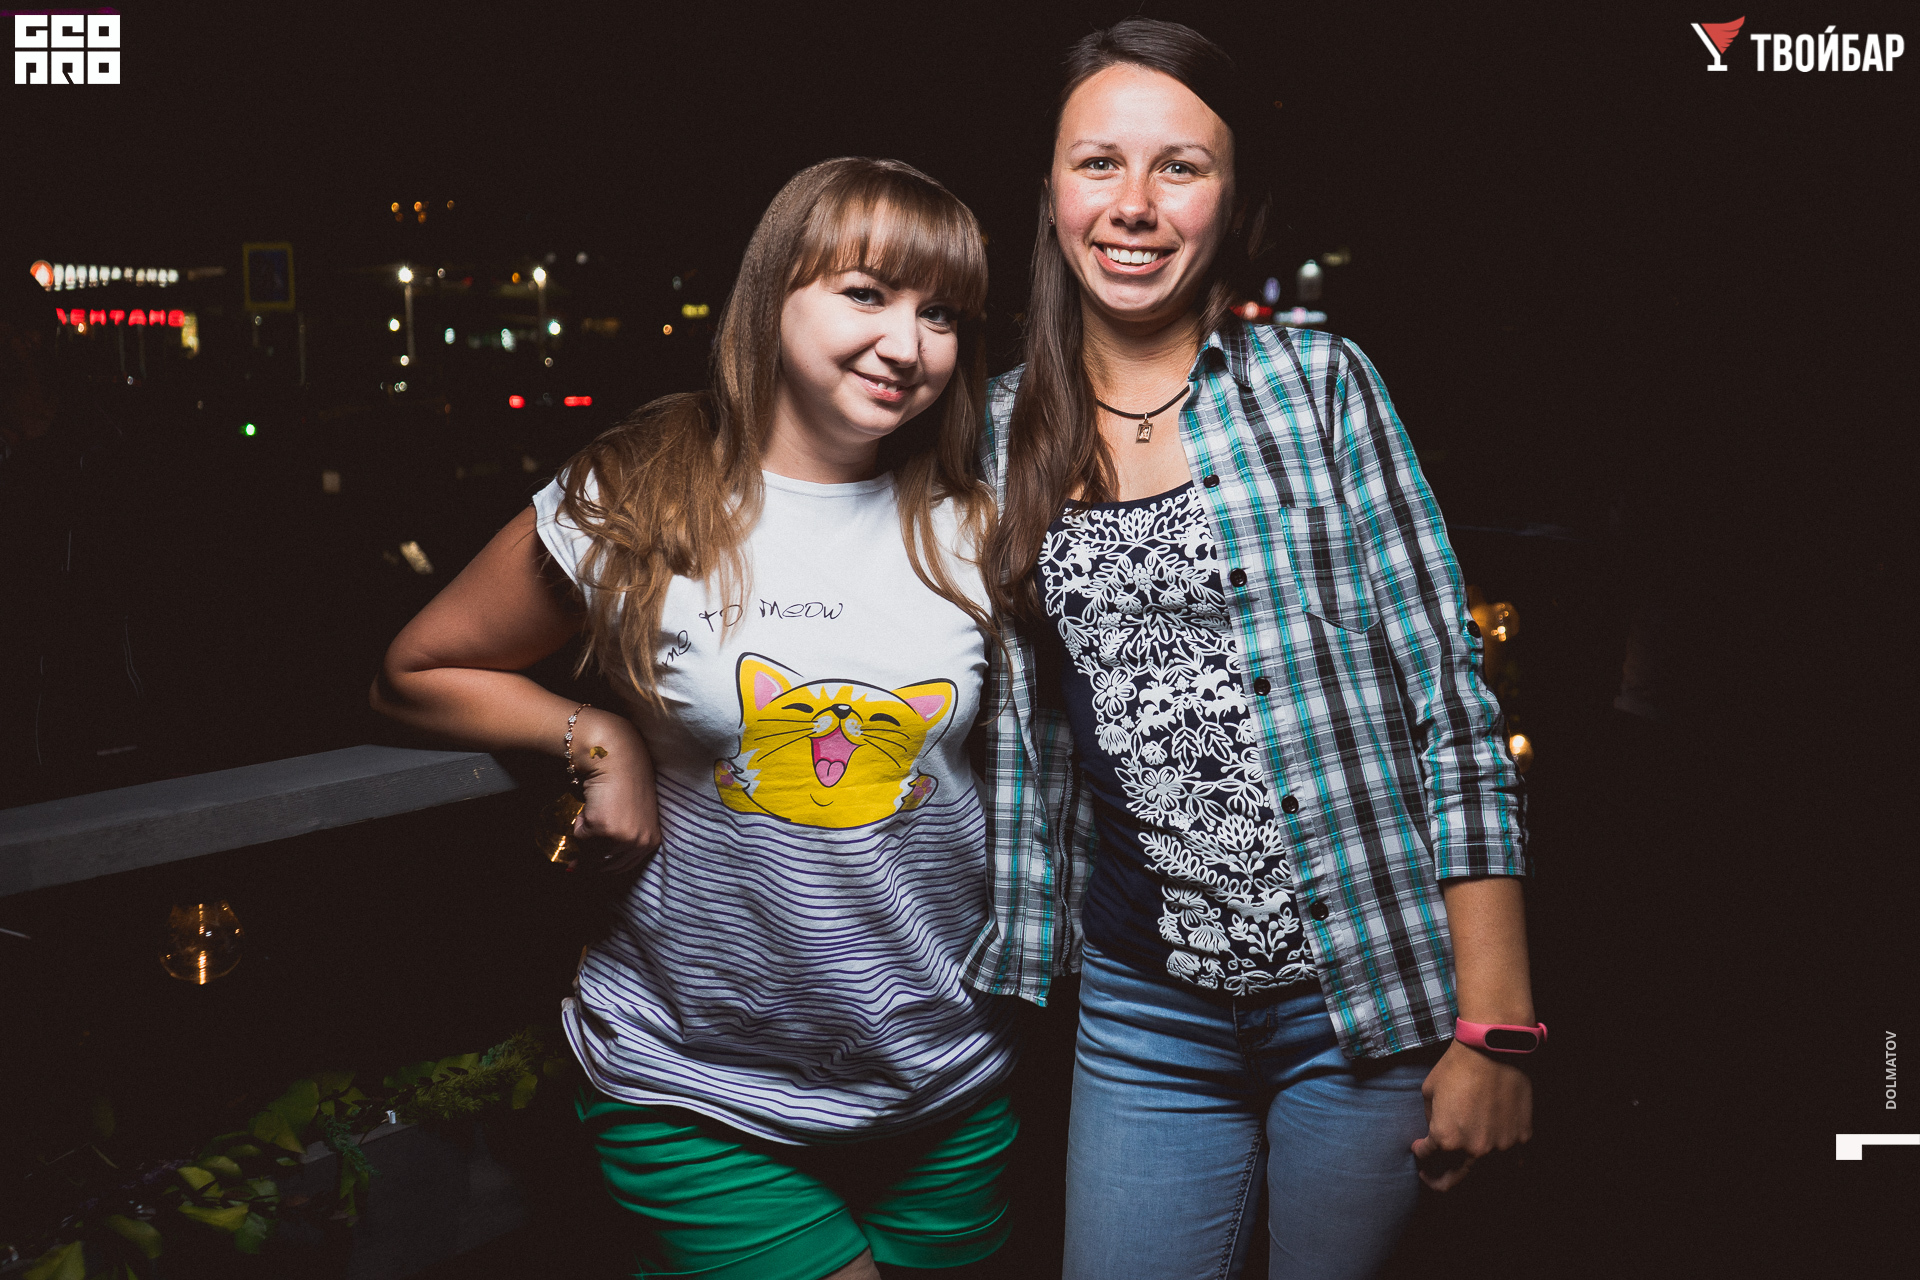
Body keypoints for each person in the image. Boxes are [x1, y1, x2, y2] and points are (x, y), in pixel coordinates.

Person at [372, 157, 1014, 1280]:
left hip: (948, 1082)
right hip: (696, 1083)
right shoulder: (640, 493)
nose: (907, 344)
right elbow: (416, 670)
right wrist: (595, 735)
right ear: (773, 295)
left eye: (941, 313)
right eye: (866, 294)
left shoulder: (979, 518)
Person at [969, 20, 1537, 1279]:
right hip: (1144, 1015)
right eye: (1099, 162)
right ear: (1052, 190)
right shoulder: (998, 432)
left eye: (1180, 166)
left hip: (1363, 1003)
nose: (1134, 203)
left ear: (1230, 201)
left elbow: (1451, 703)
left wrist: (1495, 1028)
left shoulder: (1321, 386)